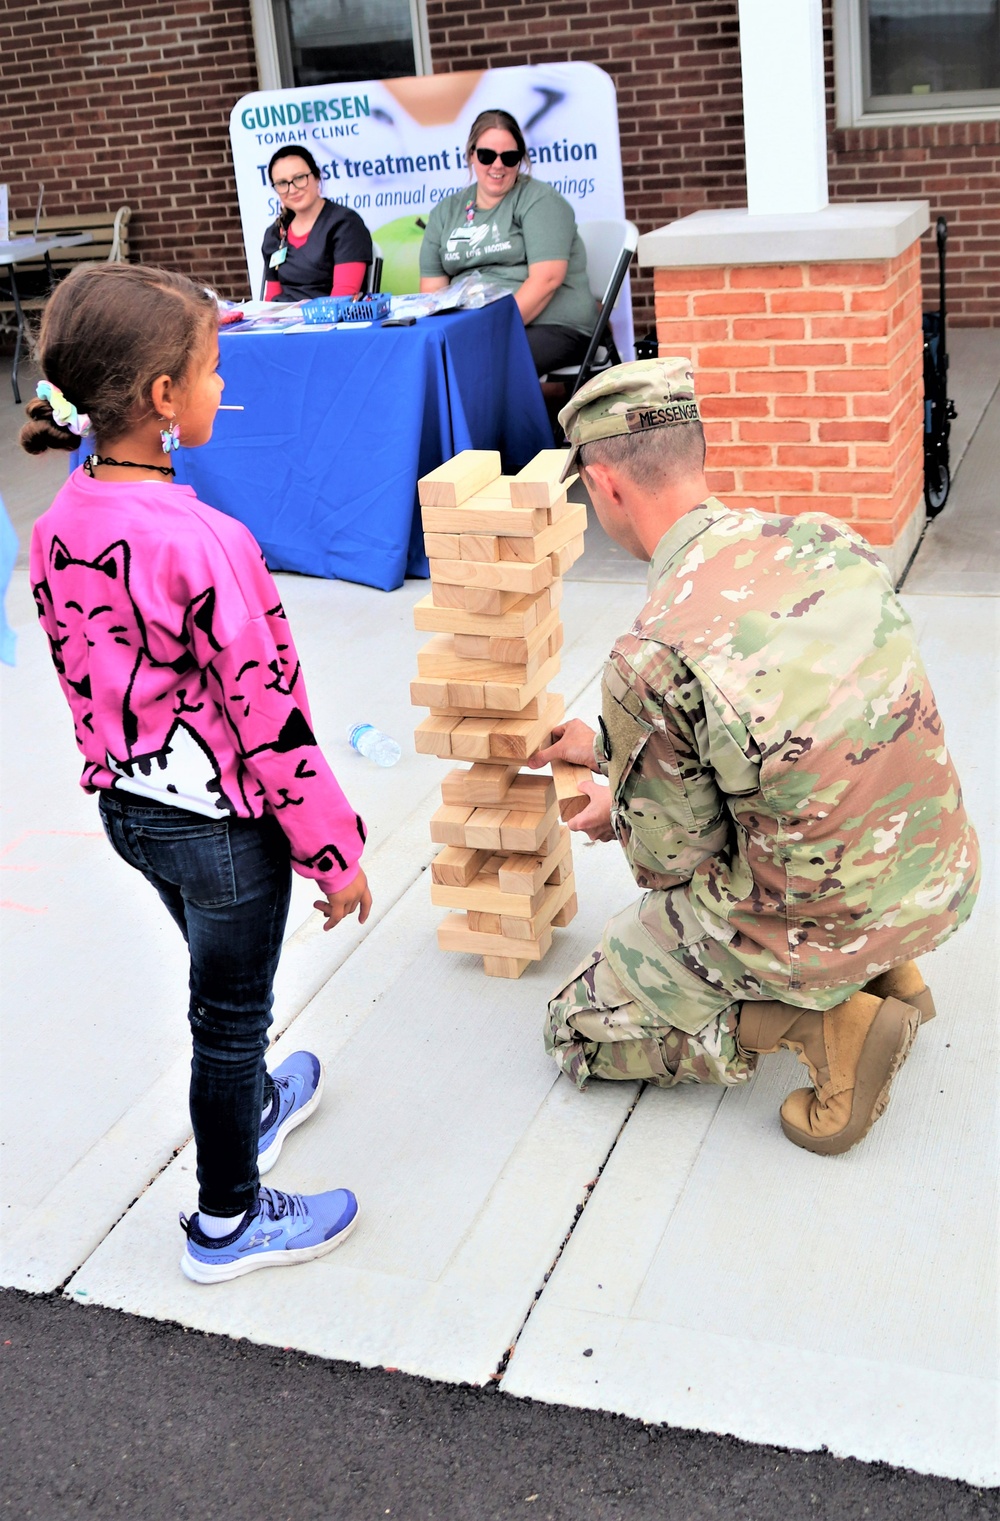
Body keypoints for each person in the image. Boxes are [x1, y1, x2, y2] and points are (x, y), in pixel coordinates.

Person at [531, 359, 979, 1156]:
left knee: (574, 1027)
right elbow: (807, 734)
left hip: (819, 918)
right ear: (696, 453)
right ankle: (888, 970)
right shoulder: (827, 540)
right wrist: (610, 751)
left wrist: (617, 814)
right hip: (933, 877)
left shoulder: (651, 648)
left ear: (605, 487)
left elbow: (672, 867)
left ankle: (828, 1019)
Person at [22, 263, 372, 1281]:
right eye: (215, 370)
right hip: (223, 831)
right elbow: (270, 717)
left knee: (223, 990)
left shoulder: (61, 520)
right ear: (163, 399)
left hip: (133, 815)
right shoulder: (209, 542)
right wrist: (333, 851)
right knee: (228, 1022)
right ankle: (229, 1217)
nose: (227, 388)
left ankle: (255, 1104)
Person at [419, 109, 595, 378]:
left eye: (509, 157)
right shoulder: (446, 211)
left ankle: (515, 422)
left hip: (552, 325)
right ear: (471, 155)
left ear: (521, 160)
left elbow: (546, 280)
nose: (497, 165)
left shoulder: (539, 201)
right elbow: (433, 292)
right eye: (487, 155)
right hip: (474, 326)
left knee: (477, 361)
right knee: (427, 361)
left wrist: (489, 331)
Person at [261, 146, 373, 302]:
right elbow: (271, 302)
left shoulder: (346, 225)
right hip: (284, 322)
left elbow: (342, 299)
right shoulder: (275, 234)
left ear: (317, 177)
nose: (292, 189)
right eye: (282, 183)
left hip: (329, 321)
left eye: (299, 178)